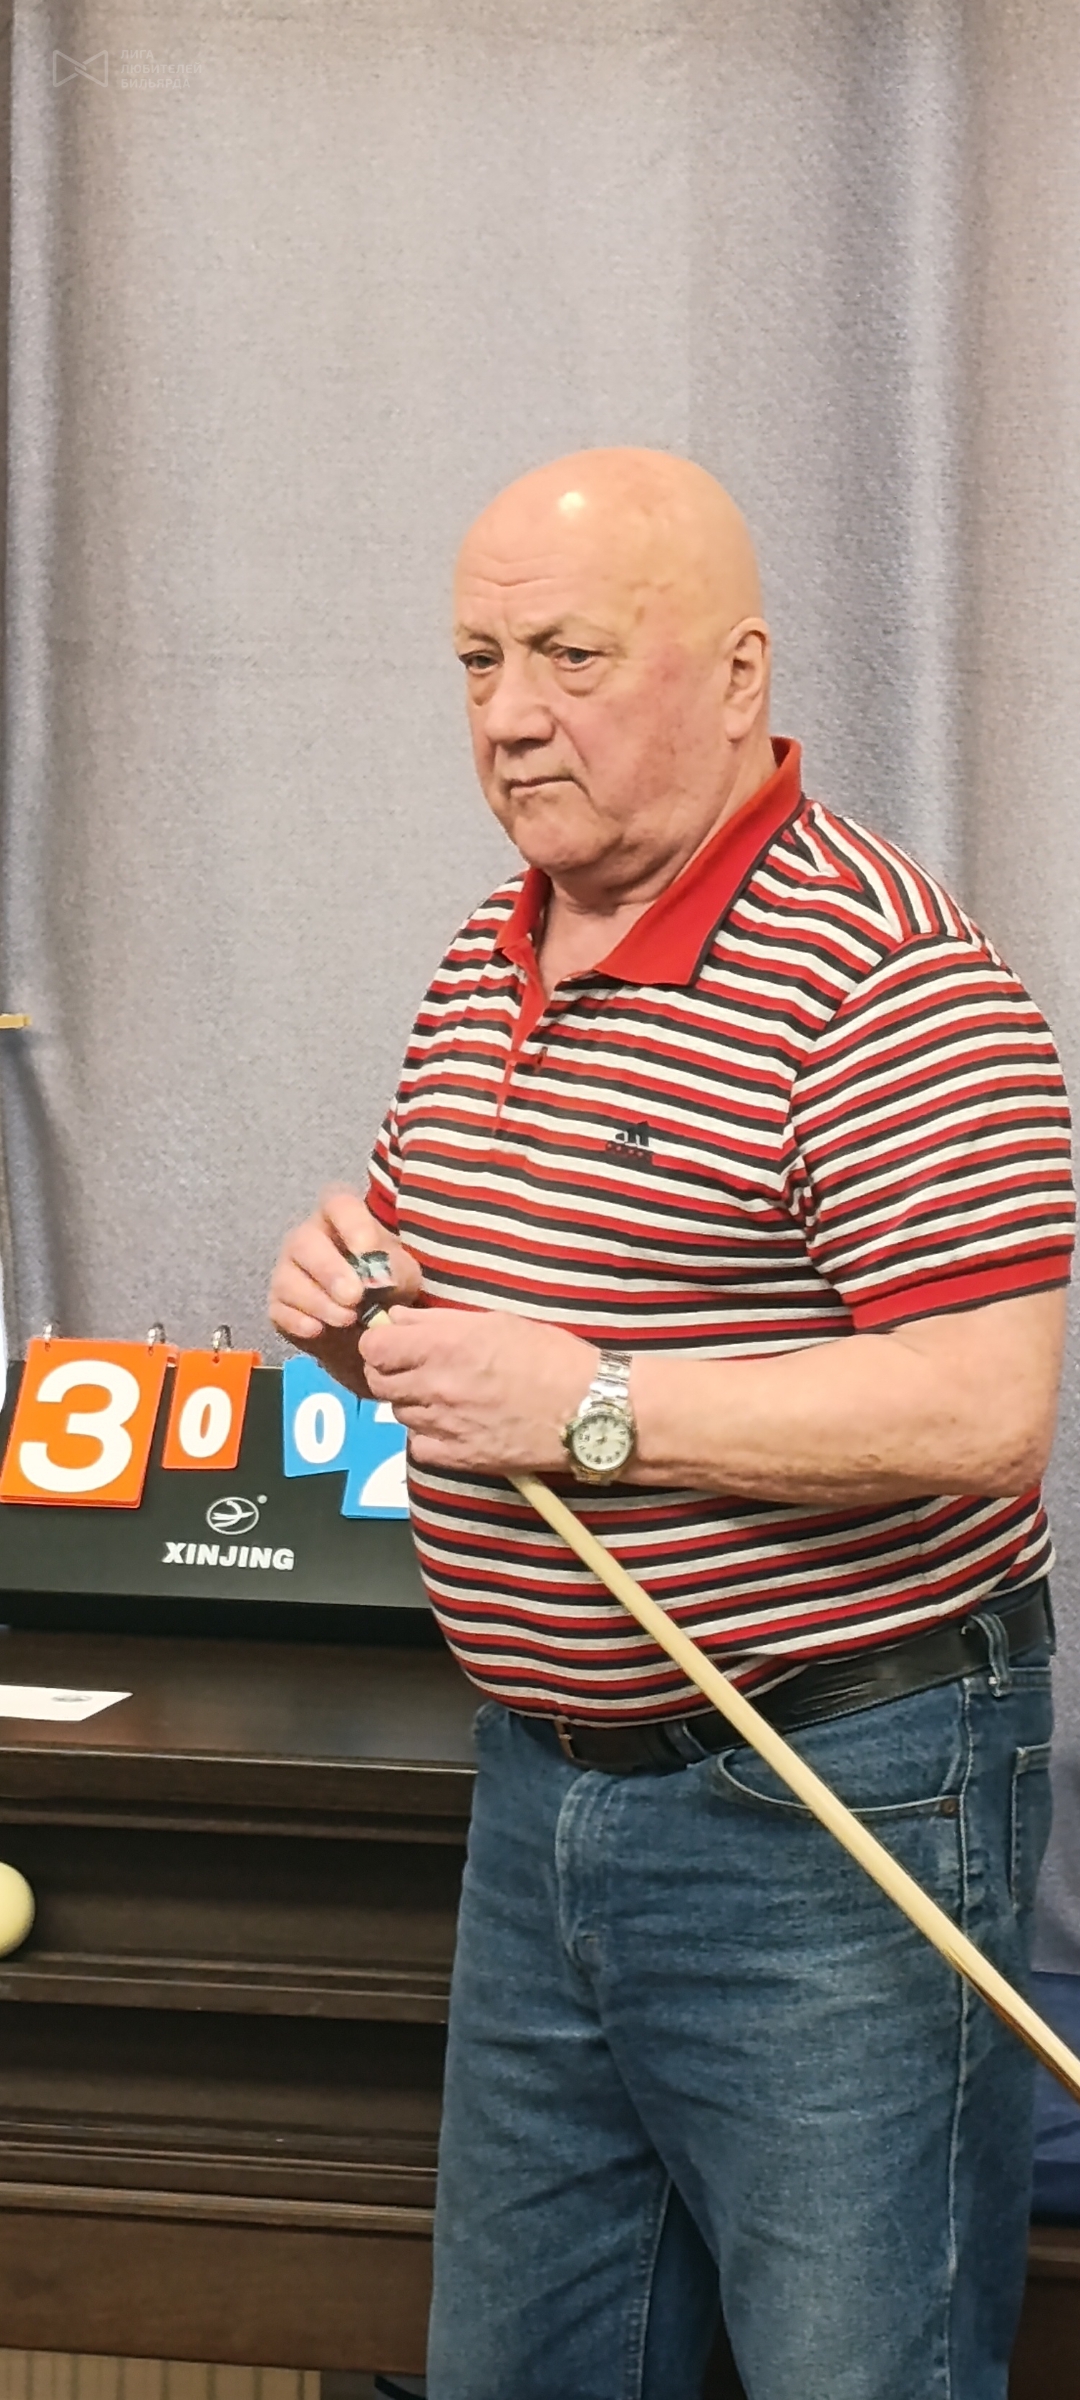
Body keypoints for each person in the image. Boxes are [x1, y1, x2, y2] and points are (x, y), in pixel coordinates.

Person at [268, 448, 1074, 2400]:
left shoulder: (885, 975)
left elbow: (986, 1407)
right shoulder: (487, 956)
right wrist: (361, 1312)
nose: (508, 715)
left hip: (829, 1804)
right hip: (541, 1800)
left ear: (736, 677)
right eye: (479, 662)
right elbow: (476, 1327)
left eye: (570, 654)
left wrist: (597, 1412)